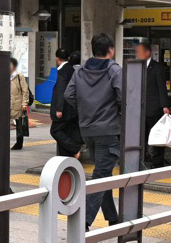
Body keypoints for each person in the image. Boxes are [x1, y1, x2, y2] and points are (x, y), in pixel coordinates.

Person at [65, 33, 121, 231]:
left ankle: (113, 217)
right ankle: (83, 221)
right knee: (101, 175)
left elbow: (69, 94)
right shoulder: (114, 70)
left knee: (102, 171)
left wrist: (85, 110)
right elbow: (123, 96)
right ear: (111, 50)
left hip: (87, 129)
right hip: (107, 129)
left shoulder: (80, 70)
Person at [135, 43, 170, 168]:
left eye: (139, 52)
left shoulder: (157, 67)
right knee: (140, 136)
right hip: (139, 108)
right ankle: (140, 160)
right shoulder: (137, 66)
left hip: (154, 108)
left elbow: (161, 88)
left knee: (157, 135)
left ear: (147, 53)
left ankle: (157, 162)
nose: (137, 54)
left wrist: (165, 106)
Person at [50, 48, 82, 158]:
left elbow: (61, 90)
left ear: (57, 59)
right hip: (72, 109)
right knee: (67, 131)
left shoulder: (62, 71)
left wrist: (59, 109)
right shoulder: (71, 69)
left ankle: (75, 149)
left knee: (55, 131)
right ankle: (66, 156)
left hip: (64, 110)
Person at [10, 58, 29, 150]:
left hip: (17, 103)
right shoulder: (4, 75)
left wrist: (24, 103)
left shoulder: (19, 76)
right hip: (7, 103)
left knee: (19, 124)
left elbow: (25, 90)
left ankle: (19, 143)